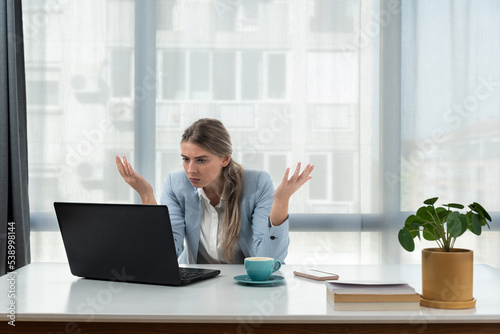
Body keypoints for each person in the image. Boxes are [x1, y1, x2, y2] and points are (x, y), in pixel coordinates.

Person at [115, 118, 313, 264]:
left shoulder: (257, 184)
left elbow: (271, 260)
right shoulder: (176, 185)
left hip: (246, 285)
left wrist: (280, 203)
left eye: (201, 160)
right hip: (198, 285)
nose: (191, 169)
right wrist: (147, 196)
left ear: (225, 159)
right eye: (185, 159)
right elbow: (165, 253)